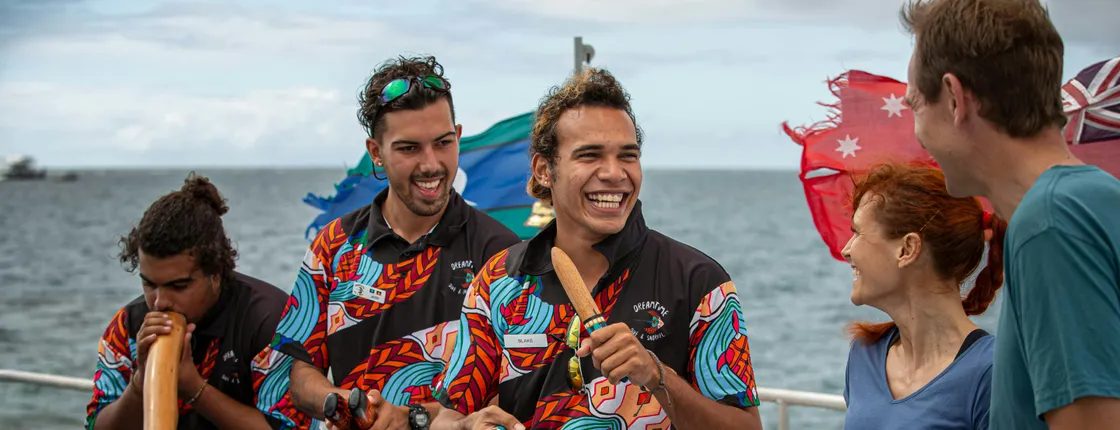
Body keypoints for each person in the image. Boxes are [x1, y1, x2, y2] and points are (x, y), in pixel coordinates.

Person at [427, 68, 764, 430]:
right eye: (590, 155)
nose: (615, 173)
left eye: (628, 156)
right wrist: (466, 426)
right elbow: (448, 415)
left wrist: (656, 376)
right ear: (543, 170)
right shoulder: (499, 280)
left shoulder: (698, 282)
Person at [251, 55, 521, 430]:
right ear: (376, 152)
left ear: (458, 137)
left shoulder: (503, 254)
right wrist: (339, 402)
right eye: (409, 148)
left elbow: (511, 392)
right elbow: (301, 373)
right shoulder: (334, 245)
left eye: (442, 143)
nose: (431, 164)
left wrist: (413, 419)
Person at [900, 1, 1120, 428]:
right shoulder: (1098, 198)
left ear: (954, 98)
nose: (917, 132)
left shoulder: (1050, 223)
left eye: (915, 105)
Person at [85, 173, 289, 430]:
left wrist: (193, 386)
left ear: (215, 272)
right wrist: (140, 384)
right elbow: (95, 424)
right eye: (149, 283)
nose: (160, 303)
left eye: (178, 286)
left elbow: (289, 427)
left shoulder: (270, 321)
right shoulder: (127, 327)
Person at [841, 163, 1004, 429]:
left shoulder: (992, 372)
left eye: (858, 232)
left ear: (907, 248)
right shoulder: (863, 355)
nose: (847, 250)